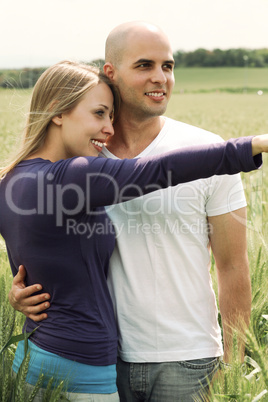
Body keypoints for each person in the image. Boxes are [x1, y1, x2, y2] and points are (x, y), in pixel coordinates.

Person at [7, 24, 267, 401]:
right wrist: (21, 293)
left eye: (169, 66)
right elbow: (46, 243)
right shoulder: (85, 158)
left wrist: (234, 360)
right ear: (110, 73)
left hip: (189, 360)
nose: (160, 77)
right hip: (104, 359)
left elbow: (233, 266)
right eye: (145, 65)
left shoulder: (206, 149)